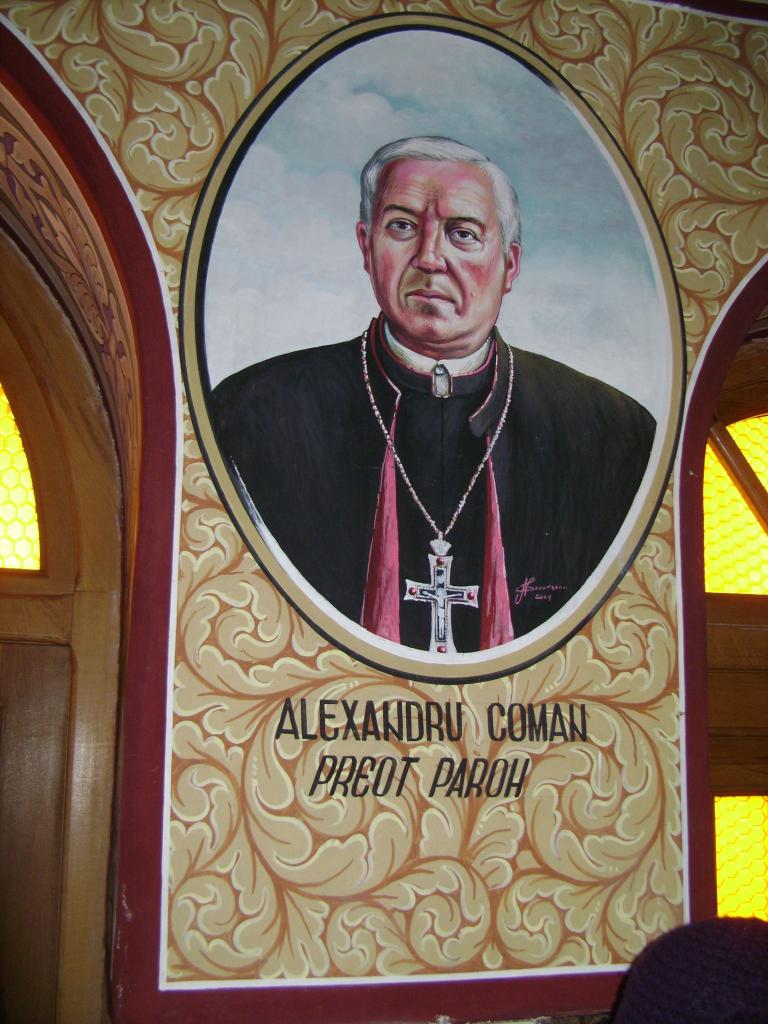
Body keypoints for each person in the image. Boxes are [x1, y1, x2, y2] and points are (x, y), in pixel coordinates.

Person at [212, 137, 655, 655]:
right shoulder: (254, 413)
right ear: (366, 246)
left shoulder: (611, 433)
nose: (429, 258)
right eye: (401, 226)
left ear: (510, 265)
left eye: (462, 234)